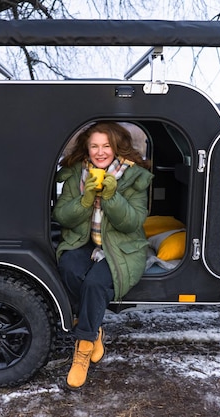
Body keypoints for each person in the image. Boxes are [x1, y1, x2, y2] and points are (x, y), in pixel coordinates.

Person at [53, 121, 153, 389]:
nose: (100, 152)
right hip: (84, 241)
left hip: (121, 246)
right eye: (94, 146)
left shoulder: (134, 177)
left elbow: (132, 222)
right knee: (69, 269)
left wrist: (111, 197)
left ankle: (82, 350)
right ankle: (94, 330)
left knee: (96, 283)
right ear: (87, 148)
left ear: (116, 147)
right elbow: (61, 215)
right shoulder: (76, 174)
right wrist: (85, 200)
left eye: (106, 146)